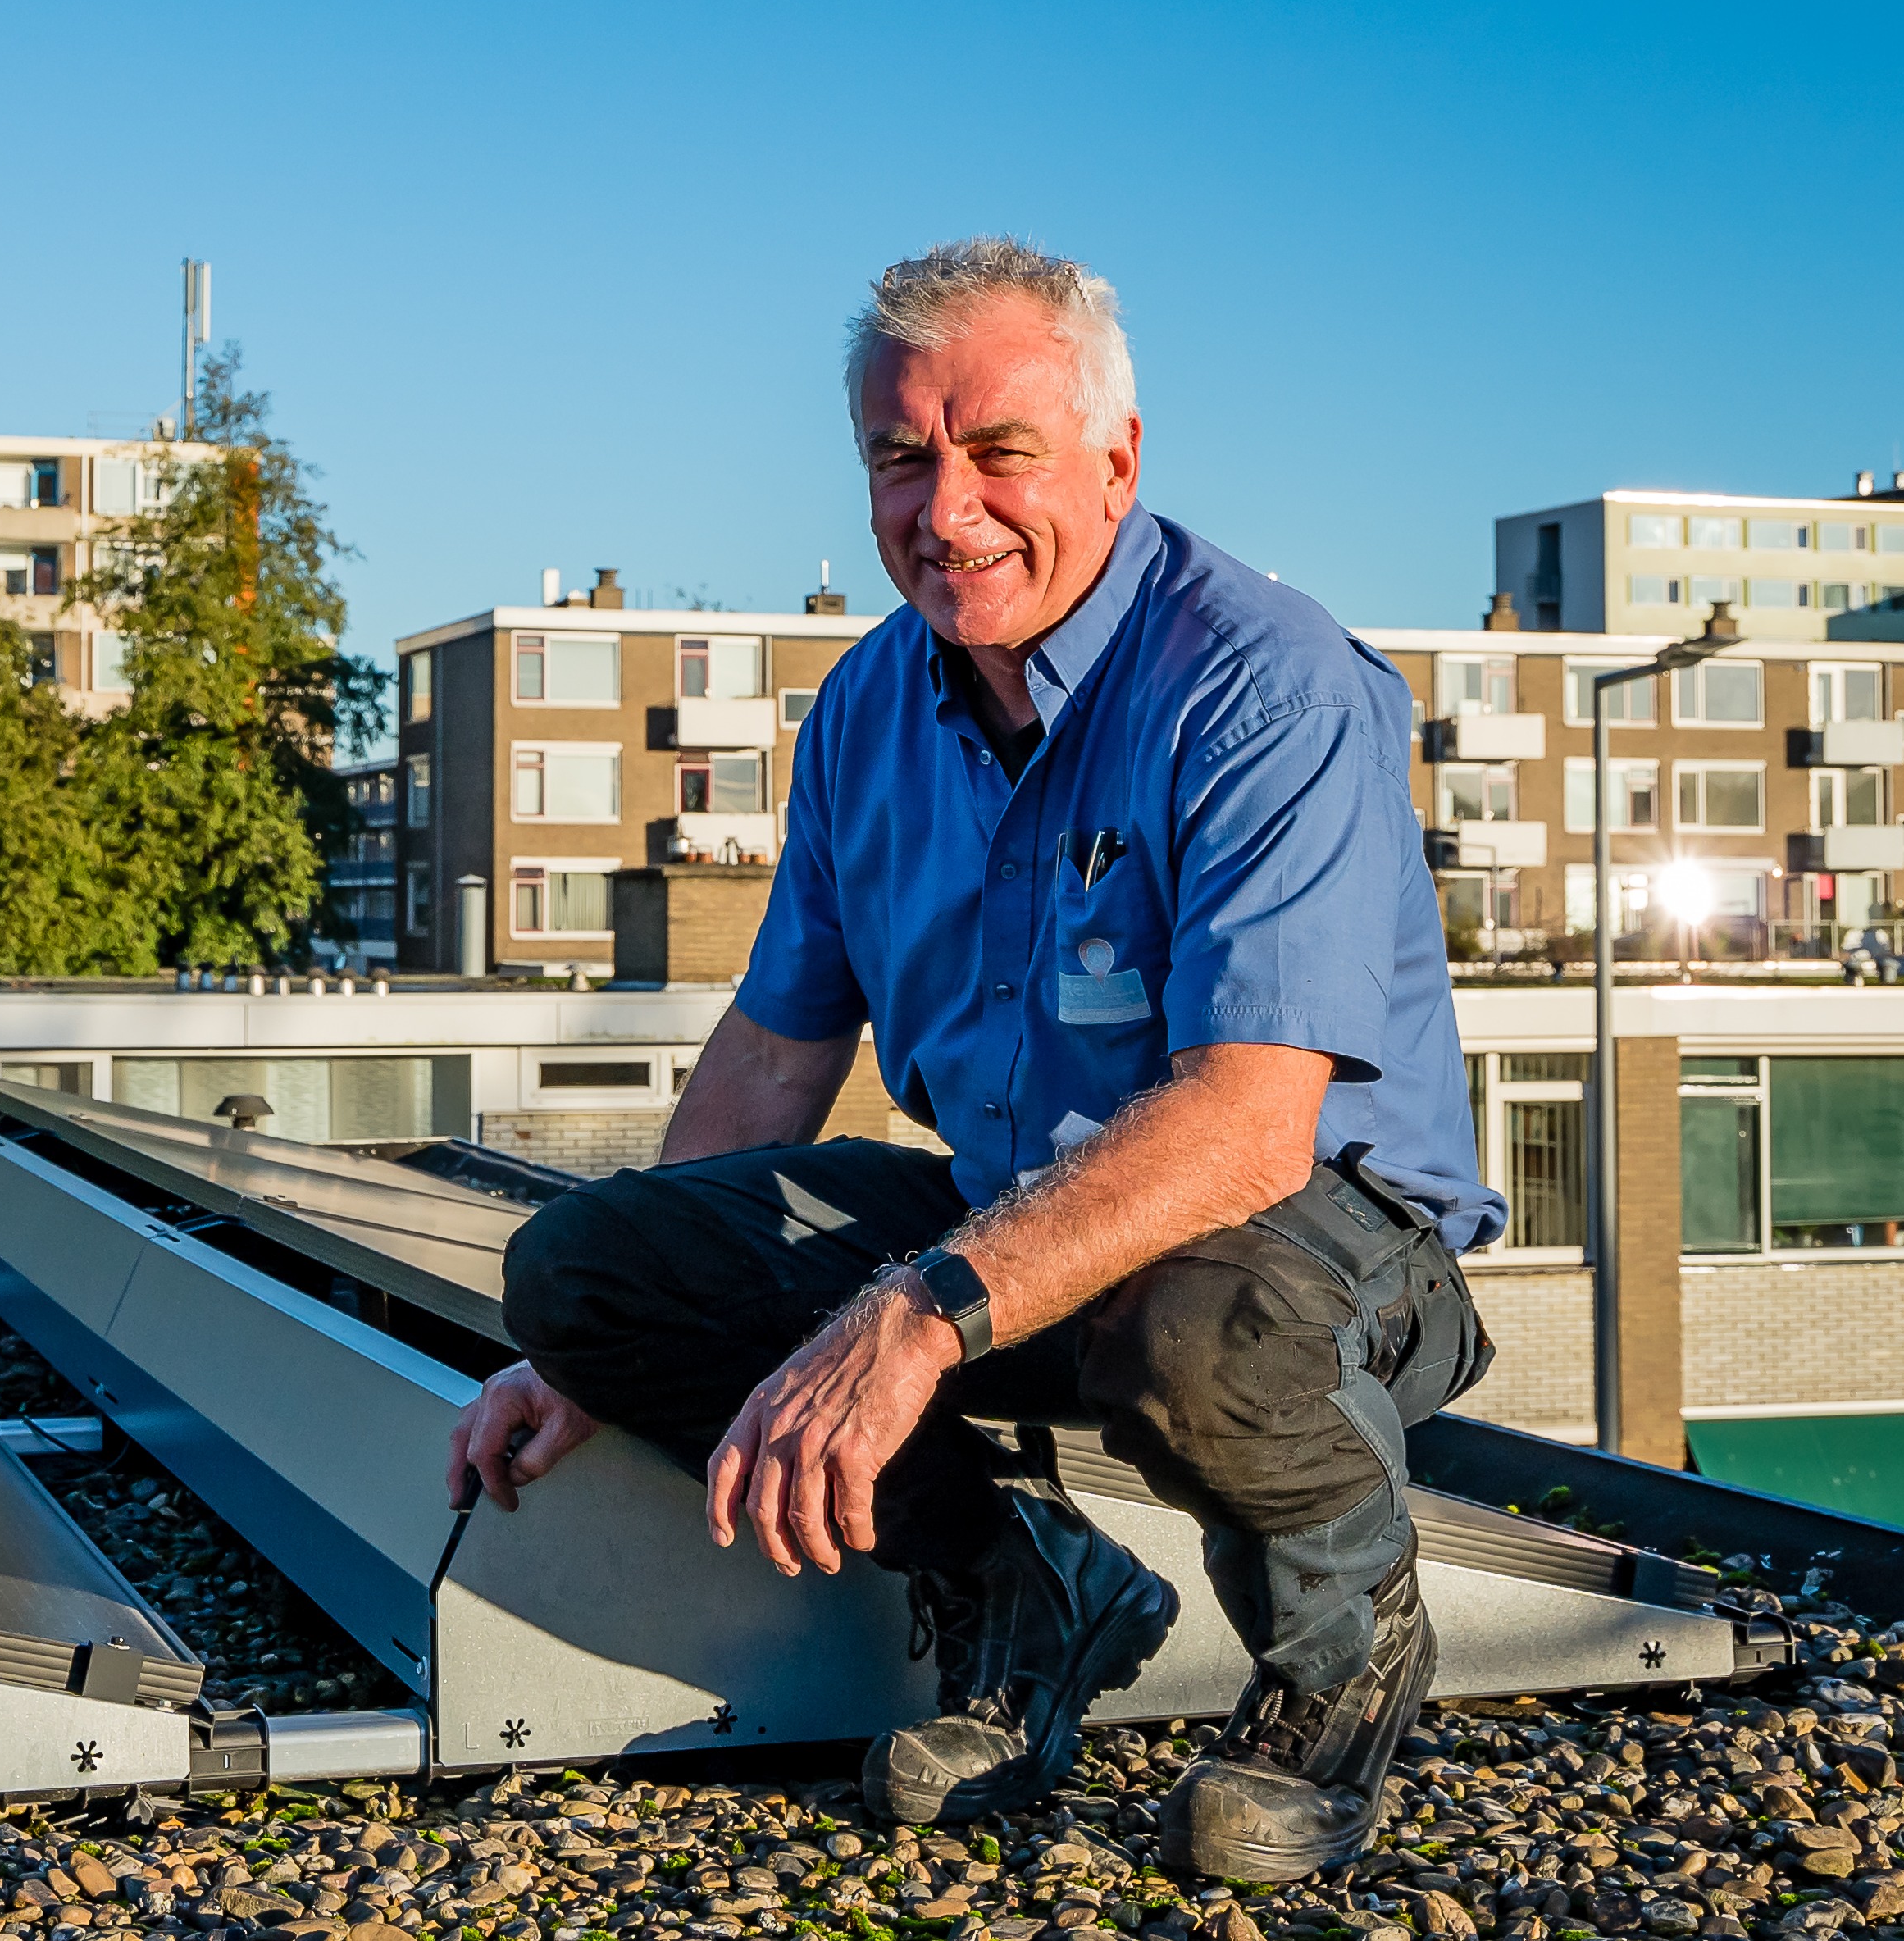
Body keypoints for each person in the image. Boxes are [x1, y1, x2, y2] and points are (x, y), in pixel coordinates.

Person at [440, 239, 1499, 1879]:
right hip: (1028, 1231)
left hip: (1326, 1249)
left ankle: (1336, 1654)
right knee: (587, 1271)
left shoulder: (1266, 686)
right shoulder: (867, 709)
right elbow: (775, 1055)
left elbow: (1244, 1130)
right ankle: (1028, 1585)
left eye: (1000, 453)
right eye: (900, 458)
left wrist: (918, 1314)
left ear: (1117, 461)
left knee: (1195, 1313)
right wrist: (583, 1363)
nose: (946, 510)